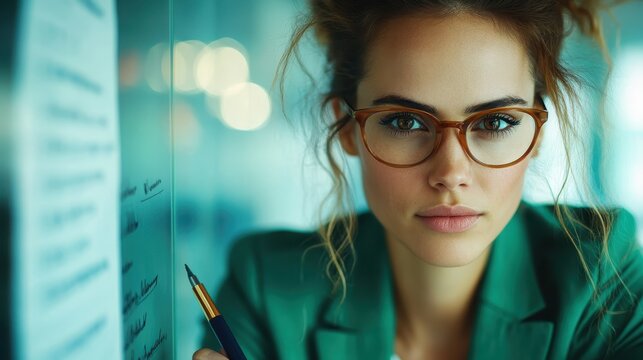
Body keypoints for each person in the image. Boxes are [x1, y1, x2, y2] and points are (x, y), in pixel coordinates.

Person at [194, 0, 643, 359]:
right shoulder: (267, 288)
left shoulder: (605, 281)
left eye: (497, 122)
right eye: (406, 122)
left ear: (539, 131)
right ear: (347, 128)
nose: (451, 174)